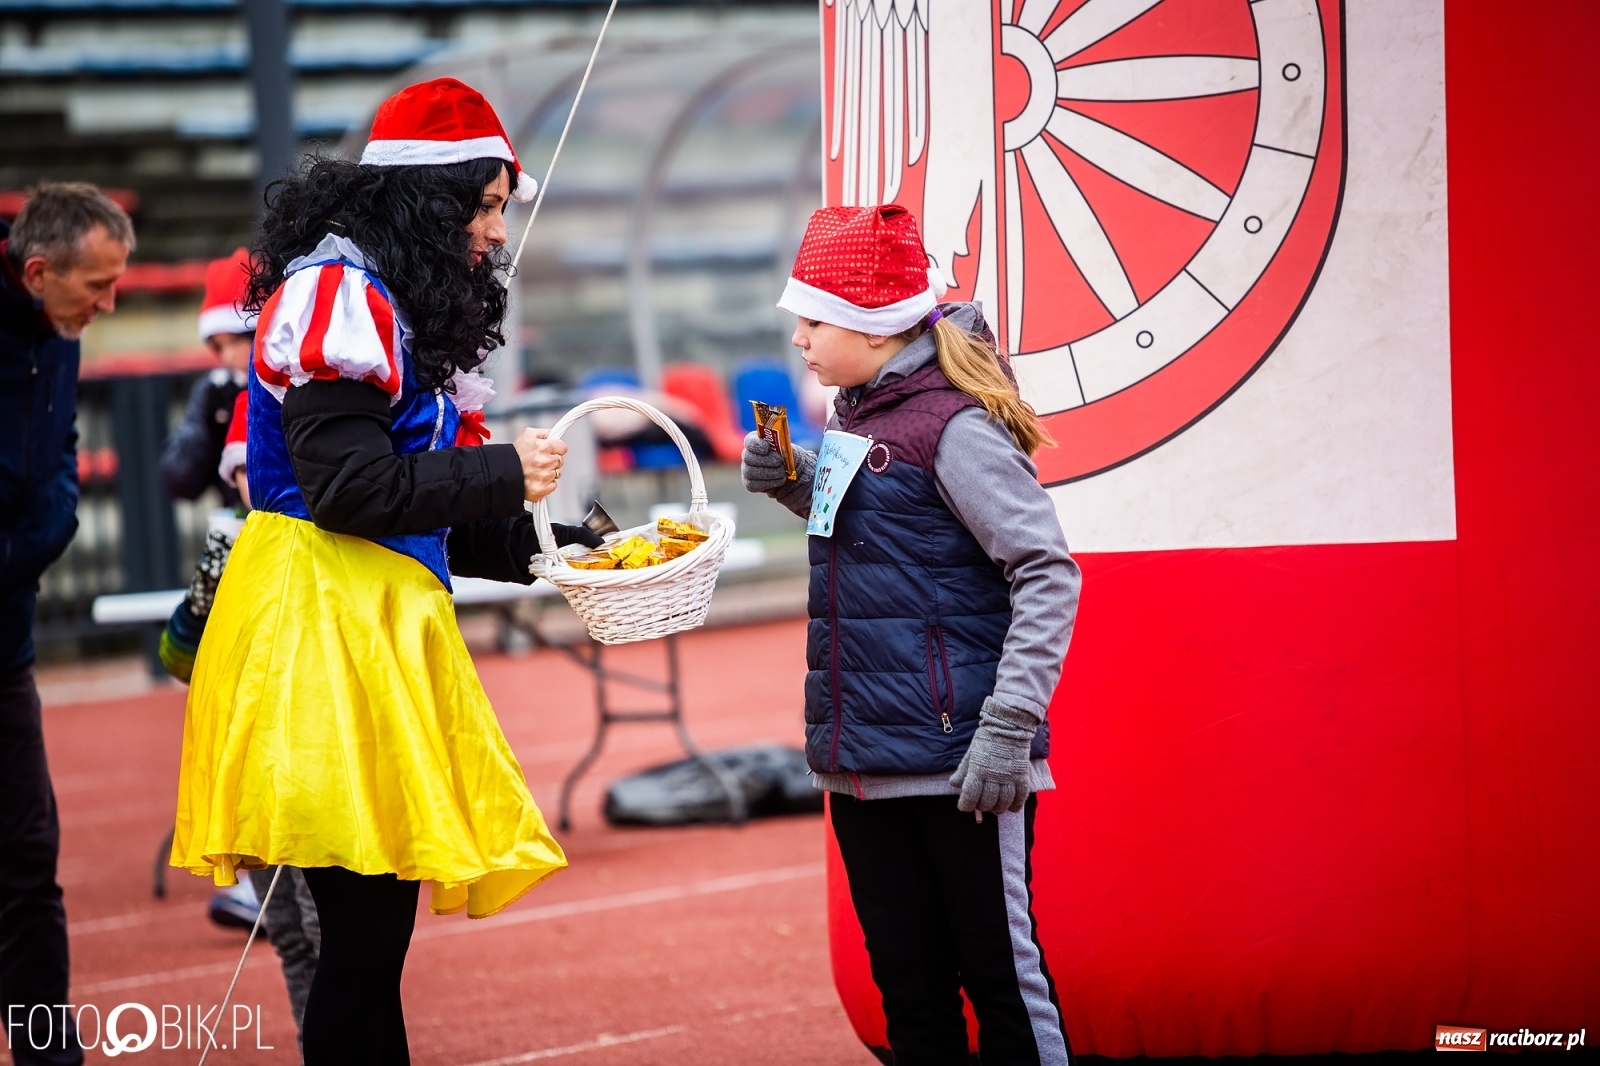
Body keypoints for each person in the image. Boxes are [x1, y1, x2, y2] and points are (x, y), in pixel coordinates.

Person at [170, 77, 598, 1066]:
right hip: (321, 628)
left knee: (372, 944)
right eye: (484, 205)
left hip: (363, 625)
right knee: (360, 946)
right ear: (429, 199)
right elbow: (350, 491)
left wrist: (561, 543)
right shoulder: (338, 294)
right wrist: (505, 471)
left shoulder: (385, 299)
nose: (496, 231)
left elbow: (414, 506)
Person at [741, 204, 1081, 1065]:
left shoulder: (955, 426)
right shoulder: (856, 413)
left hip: (962, 767)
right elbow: (880, 531)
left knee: (1002, 984)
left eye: (814, 321)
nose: (799, 340)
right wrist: (793, 482)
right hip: (863, 763)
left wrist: (1007, 729)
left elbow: (1047, 571)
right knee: (911, 997)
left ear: (873, 326)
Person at [1, 183, 131, 1066]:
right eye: (97, 286)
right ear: (38, 271)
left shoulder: (59, 330)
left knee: (28, 859)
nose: (108, 304)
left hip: (6, 641)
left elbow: (62, 448)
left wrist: (47, 530)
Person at [157, 247, 252, 509]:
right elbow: (179, 481)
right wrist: (212, 429)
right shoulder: (213, 390)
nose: (227, 355)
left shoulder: (291, 381)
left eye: (236, 341)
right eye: (218, 346)